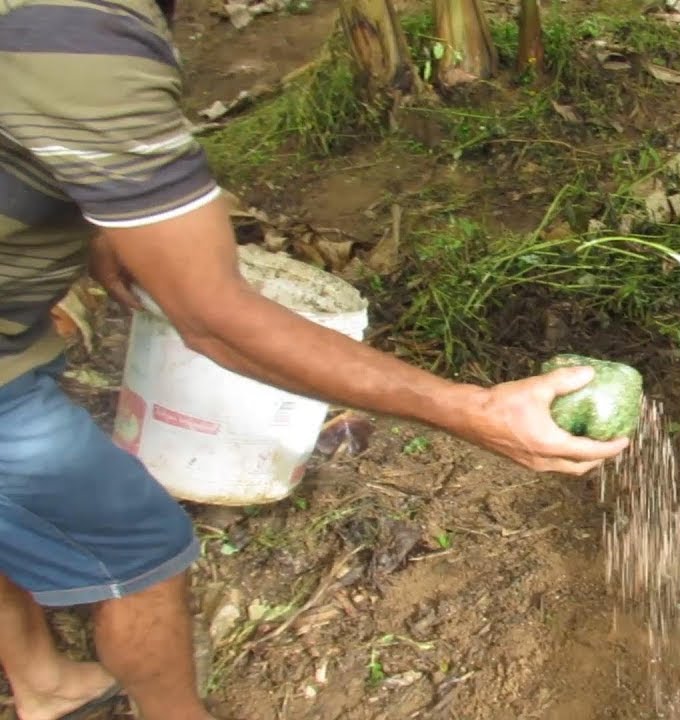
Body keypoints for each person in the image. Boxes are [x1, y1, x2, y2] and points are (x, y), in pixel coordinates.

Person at [0, 0, 630, 717]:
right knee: (137, 549)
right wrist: (467, 408)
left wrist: (109, 211)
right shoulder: (81, 34)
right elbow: (214, 321)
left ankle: (44, 683)